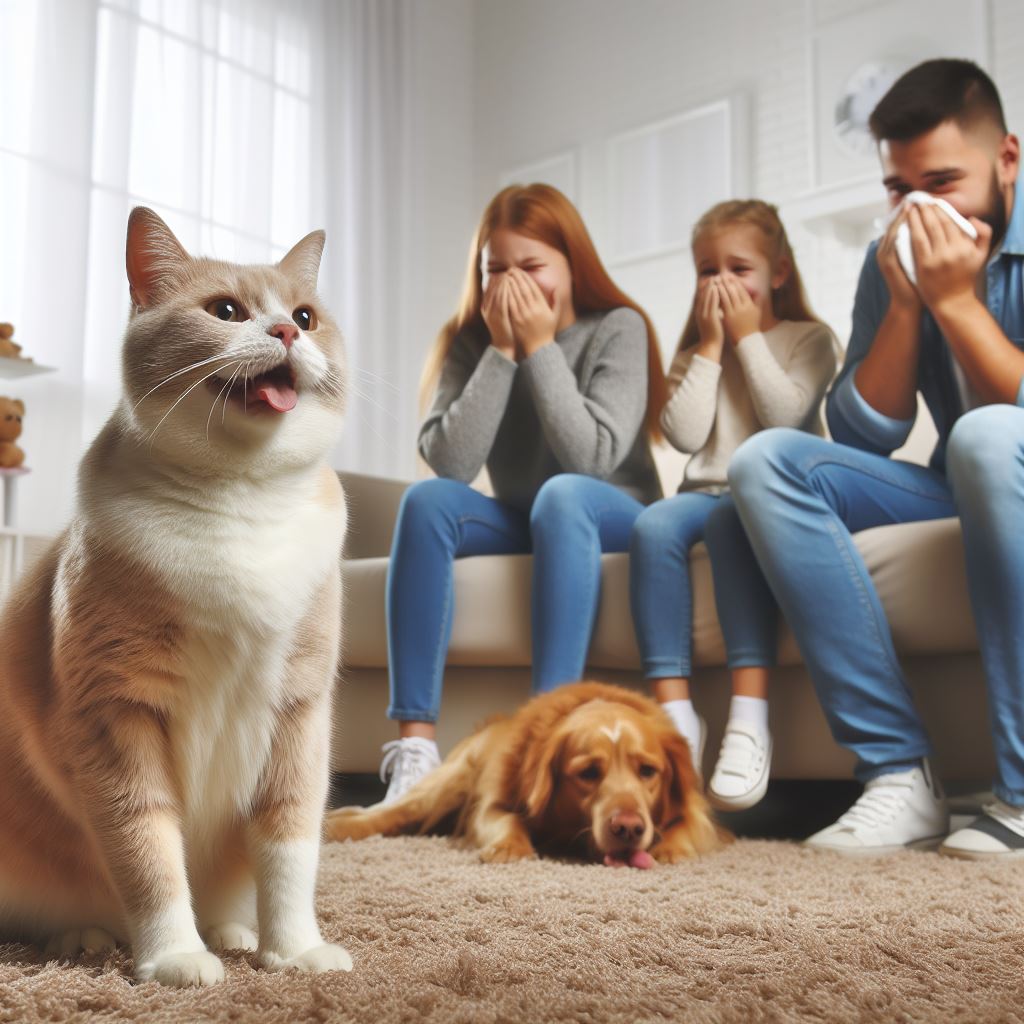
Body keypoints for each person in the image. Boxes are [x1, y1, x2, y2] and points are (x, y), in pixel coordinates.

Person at [728, 58, 1024, 857]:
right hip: (970, 481)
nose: (919, 208)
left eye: (943, 181)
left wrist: (958, 303)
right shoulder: (891, 259)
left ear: (1008, 160)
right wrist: (903, 304)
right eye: (900, 189)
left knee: (987, 435)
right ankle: (898, 774)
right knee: (769, 462)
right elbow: (862, 437)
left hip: (1002, 457)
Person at [378, 183, 665, 803]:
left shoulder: (619, 327)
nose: (514, 285)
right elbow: (451, 465)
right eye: (496, 271)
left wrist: (539, 347)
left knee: (563, 495)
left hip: (612, 512)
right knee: (425, 502)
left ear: (570, 264)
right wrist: (503, 351)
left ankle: (545, 734)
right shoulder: (471, 343)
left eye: (532, 267)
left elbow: (590, 458)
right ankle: (416, 751)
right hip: (528, 516)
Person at [629, 200, 836, 808]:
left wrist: (747, 338)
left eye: (738, 268)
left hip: (768, 497)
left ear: (777, 273)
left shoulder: (810, 340)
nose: (720, 283)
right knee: (652, 524)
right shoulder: (696, 353)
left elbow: (784, 418)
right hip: (700, 491)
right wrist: (712, 347)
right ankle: (675, 719)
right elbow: (685, 436)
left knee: (729, 521)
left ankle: (749, 719)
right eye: (705, 270)